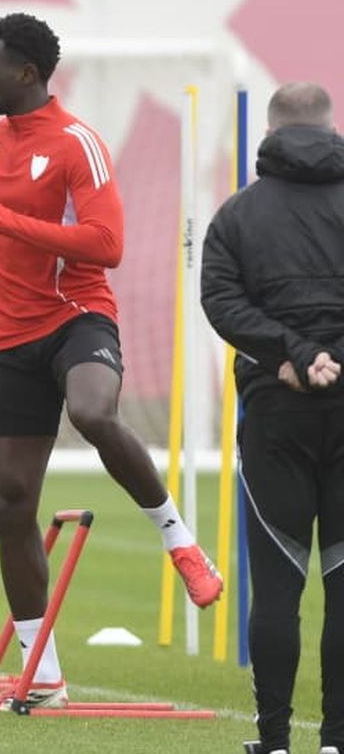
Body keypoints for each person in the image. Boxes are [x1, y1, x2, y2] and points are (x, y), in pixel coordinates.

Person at [0, 12, 222, 711]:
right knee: (8, 502)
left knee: (92, 411)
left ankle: (179, 542)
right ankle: (42, 674)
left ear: (27, 74)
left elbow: (107, 244)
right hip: (9, 340)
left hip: (78, 320)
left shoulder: (79, 144)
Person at [201, 82, 344, 754]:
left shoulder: (237, 215)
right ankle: (339, 740)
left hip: (275, 409)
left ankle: (277, 742)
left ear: (270, 129)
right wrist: (330, 357)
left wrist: (290, 355)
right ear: (329, 126)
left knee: (279, 585)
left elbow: (221, 301)